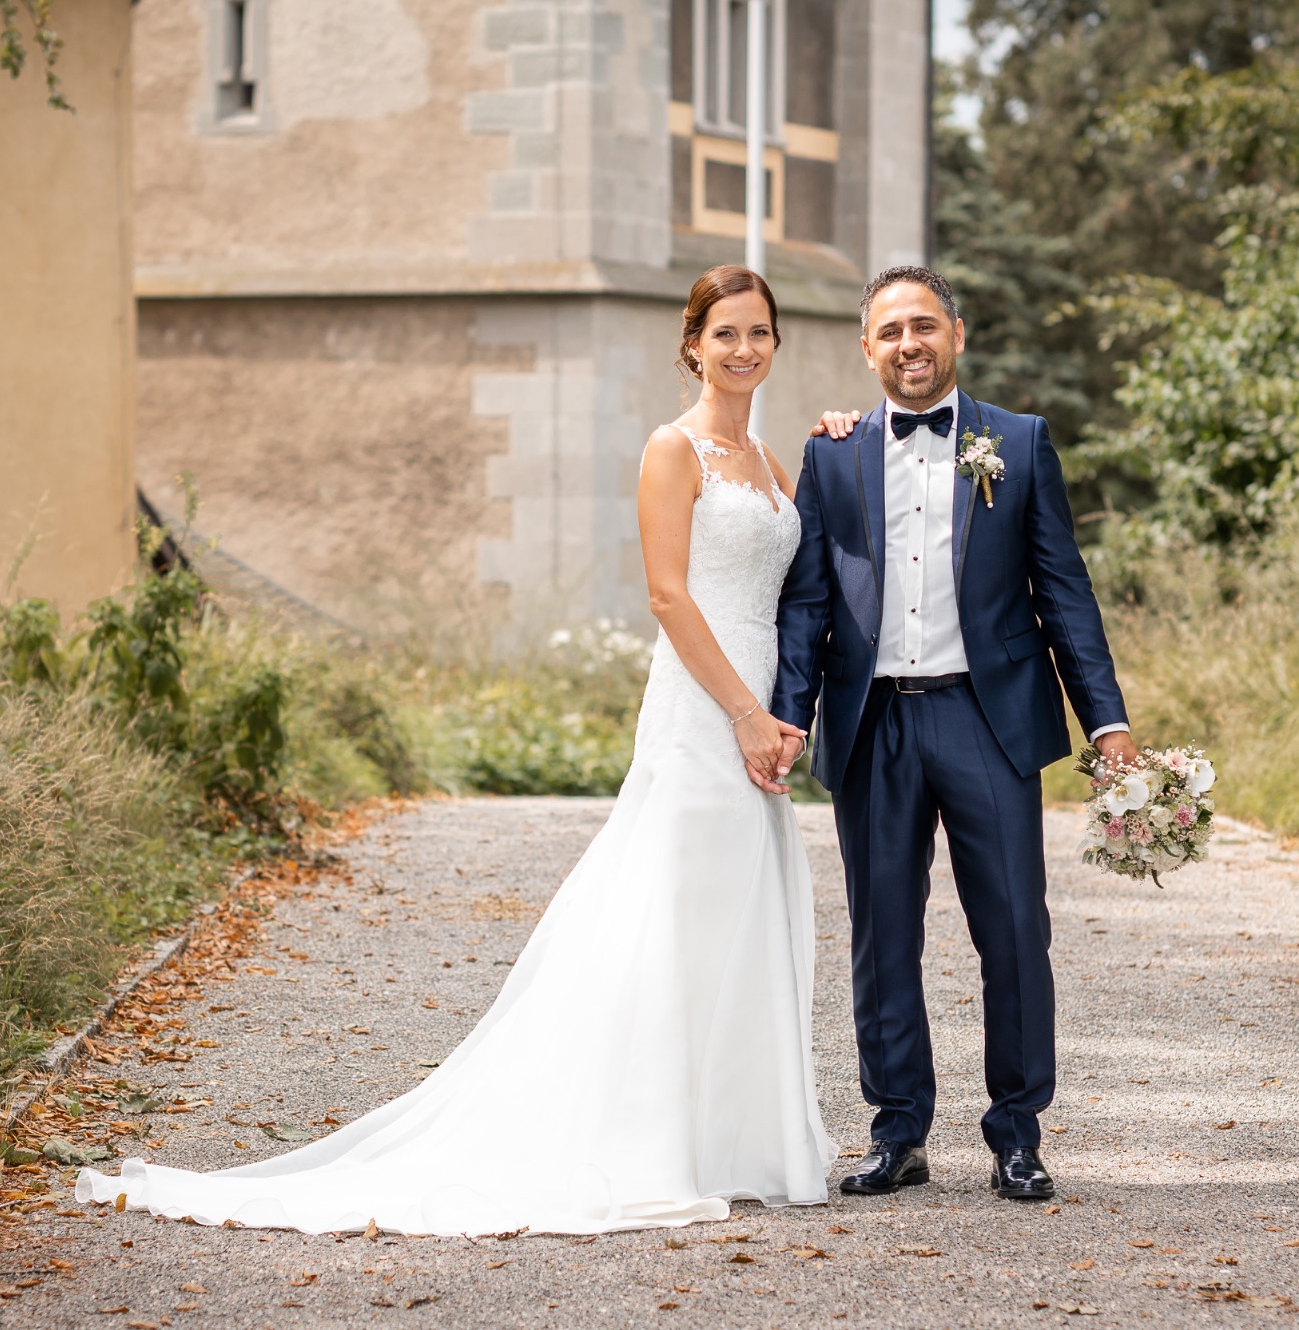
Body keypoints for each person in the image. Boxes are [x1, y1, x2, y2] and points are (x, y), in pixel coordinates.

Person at [74, 265, 834, 1236]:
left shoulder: (770, 464)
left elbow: (791, 585)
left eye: (758, 333)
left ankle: (729, 1138)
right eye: (724, 333)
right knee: (673, 906)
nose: (743, 350)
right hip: (699, 711)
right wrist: (737, 712)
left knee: (737, 908)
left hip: (757, 714)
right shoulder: (670, 448)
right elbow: (666, 596)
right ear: (691, 344)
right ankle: (646, 1135)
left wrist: (776, 713)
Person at [773, 265, 1135, 1201]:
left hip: (989, 717)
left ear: (958, 334)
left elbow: (1063, 590)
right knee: (881, 934)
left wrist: (1108, 719)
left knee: (1014, 929)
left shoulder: (1016, 442)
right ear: (867, 349)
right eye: (889, 331)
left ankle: (1017, 1131)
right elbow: (808, 599)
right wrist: (785, 712)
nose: (908, 345)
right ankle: (897, 1129)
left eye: (924, 326)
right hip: (874, 720)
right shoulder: (832, 456)